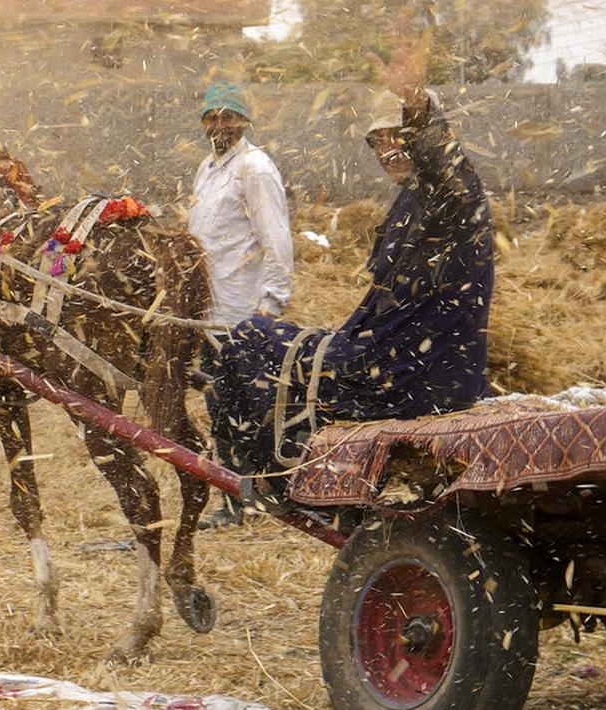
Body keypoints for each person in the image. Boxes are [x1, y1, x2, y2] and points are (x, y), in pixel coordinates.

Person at [202, 33, 495, 511]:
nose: (386, 149)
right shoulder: (410, 200)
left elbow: (447, 167)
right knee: (244, 350)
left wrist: (417, 105)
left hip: (414, 375)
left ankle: (276, 480)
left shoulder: (454, 198)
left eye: (397, 136)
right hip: (388, 357)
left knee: (249, 342)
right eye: (377, 140)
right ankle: (262, 480)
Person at [188, 80, 294, 326]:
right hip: (203, 303)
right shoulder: (206, 167)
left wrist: (272, 305)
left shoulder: (255, 167)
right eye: (212, 118)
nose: (219, 126)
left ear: (243, 122)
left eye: (228, 118)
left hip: (240, 311)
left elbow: (276, 238)